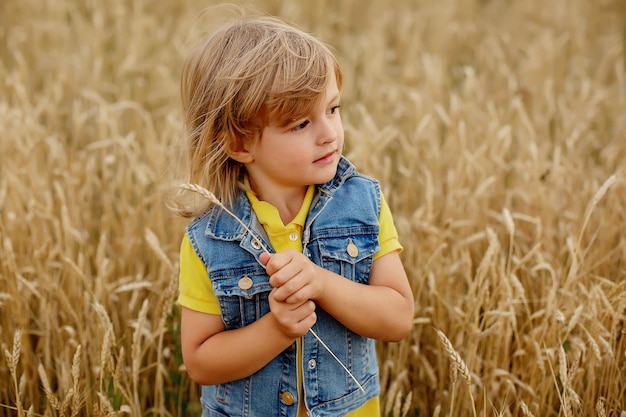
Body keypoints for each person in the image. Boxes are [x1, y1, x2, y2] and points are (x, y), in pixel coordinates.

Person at [175, 14, 414, 417]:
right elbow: (200, 360)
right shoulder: (210, 238)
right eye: (301, 123)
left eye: (333, 109)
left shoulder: (362, 205)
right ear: (238, 142)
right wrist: (277, 328)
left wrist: (321, 282)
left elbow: (398, 317)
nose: (329, 133)